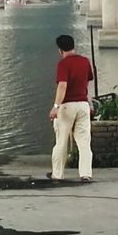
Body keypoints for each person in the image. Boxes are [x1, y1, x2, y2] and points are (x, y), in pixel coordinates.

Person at [48, 34, 94, 182]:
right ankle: (85, 174)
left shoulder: (63, 64)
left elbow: (62, 85)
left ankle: (57, 174)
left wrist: (56, 107)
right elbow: (87, 82)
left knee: (61, 141)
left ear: (60, 50)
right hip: (83, 105)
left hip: (67, 106)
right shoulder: (85, 61)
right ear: (74, 46)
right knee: (84, 142)